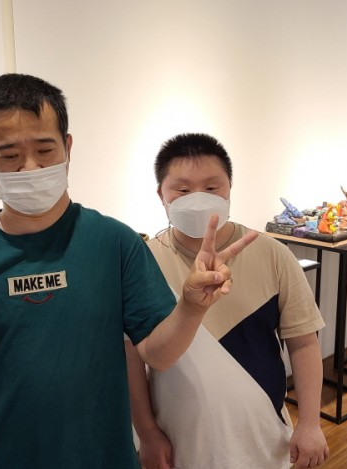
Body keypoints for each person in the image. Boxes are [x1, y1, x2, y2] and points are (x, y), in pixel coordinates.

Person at [0, 74, 257, 468]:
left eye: (45, 150)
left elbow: (158, 354)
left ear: (67, 146)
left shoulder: (114, 242)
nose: (30, 167)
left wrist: (190, 308)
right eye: (10, 155)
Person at [125, 133, 329, 469]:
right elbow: (131, 357)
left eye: (211, 187)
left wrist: (309, 423)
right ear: (161, 194)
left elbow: (303, 342)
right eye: (183, 190)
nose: (198, 200)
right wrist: (147, 433)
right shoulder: (142, 263)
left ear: (229, 188)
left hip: (263, 437)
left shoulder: (273, 254)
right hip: (178, 441)